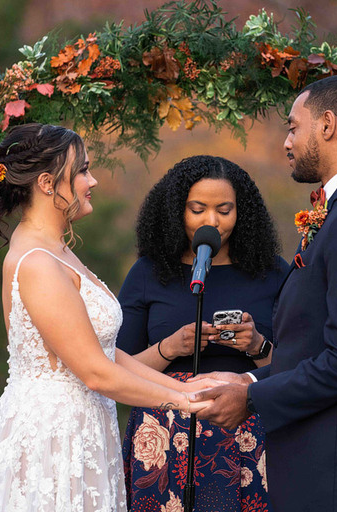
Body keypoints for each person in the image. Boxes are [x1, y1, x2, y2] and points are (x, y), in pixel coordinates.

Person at [0, 124, 213, 512]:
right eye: (83, 171)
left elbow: (102, 351)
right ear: (48, 183)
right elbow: (95, 372)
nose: (94, 180)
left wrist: (191, 390)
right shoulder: (37, 262)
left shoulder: (56, 248)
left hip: (82, 427)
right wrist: (183, 405)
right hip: (52, 437)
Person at [192, 75, 337, 512]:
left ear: (327, 124)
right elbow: (315, 344)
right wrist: (247, 378)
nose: (286, 141)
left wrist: (251, 399)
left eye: (293, 126)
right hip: (334, 467)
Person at [117, 155, 289, 512]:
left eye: (224, 210)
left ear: (243, 213)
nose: (211, 221)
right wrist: (169, 347)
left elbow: (302, 362)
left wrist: (258, 346)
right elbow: (116, 367)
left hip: (248, 431)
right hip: (162, 442)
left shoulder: (272, 272)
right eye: (198, 209)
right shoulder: (149, 273)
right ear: (177, 211)